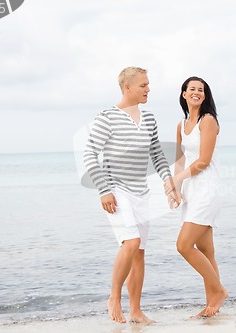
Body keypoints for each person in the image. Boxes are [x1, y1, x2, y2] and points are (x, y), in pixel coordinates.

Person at [83, 67, 178, 324]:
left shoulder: (148, 118)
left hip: (141, 192)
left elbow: (157, 154)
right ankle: (114, 297)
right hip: (116, 189)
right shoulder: (107, 117)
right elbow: (89, 155)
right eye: (143, 85)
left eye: (148, 85)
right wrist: (104, 190)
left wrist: (168, 182)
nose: (148, 89)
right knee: (131, 242)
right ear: (128, 87)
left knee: (140, 252)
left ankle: (136, 311)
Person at [166, 76, 228, 318]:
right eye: (192, 89)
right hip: (192, 191)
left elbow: (203, 160)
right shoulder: (181, 124)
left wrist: (178, 179)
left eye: (200, 90)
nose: (196, 92)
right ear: (184, 94)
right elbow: (180, 159)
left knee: (183, 245)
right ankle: (212, 304)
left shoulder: (208, 120)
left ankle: (219, 291)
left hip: (207, 190)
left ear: (205, 95)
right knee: (206, 250)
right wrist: (176, 189)